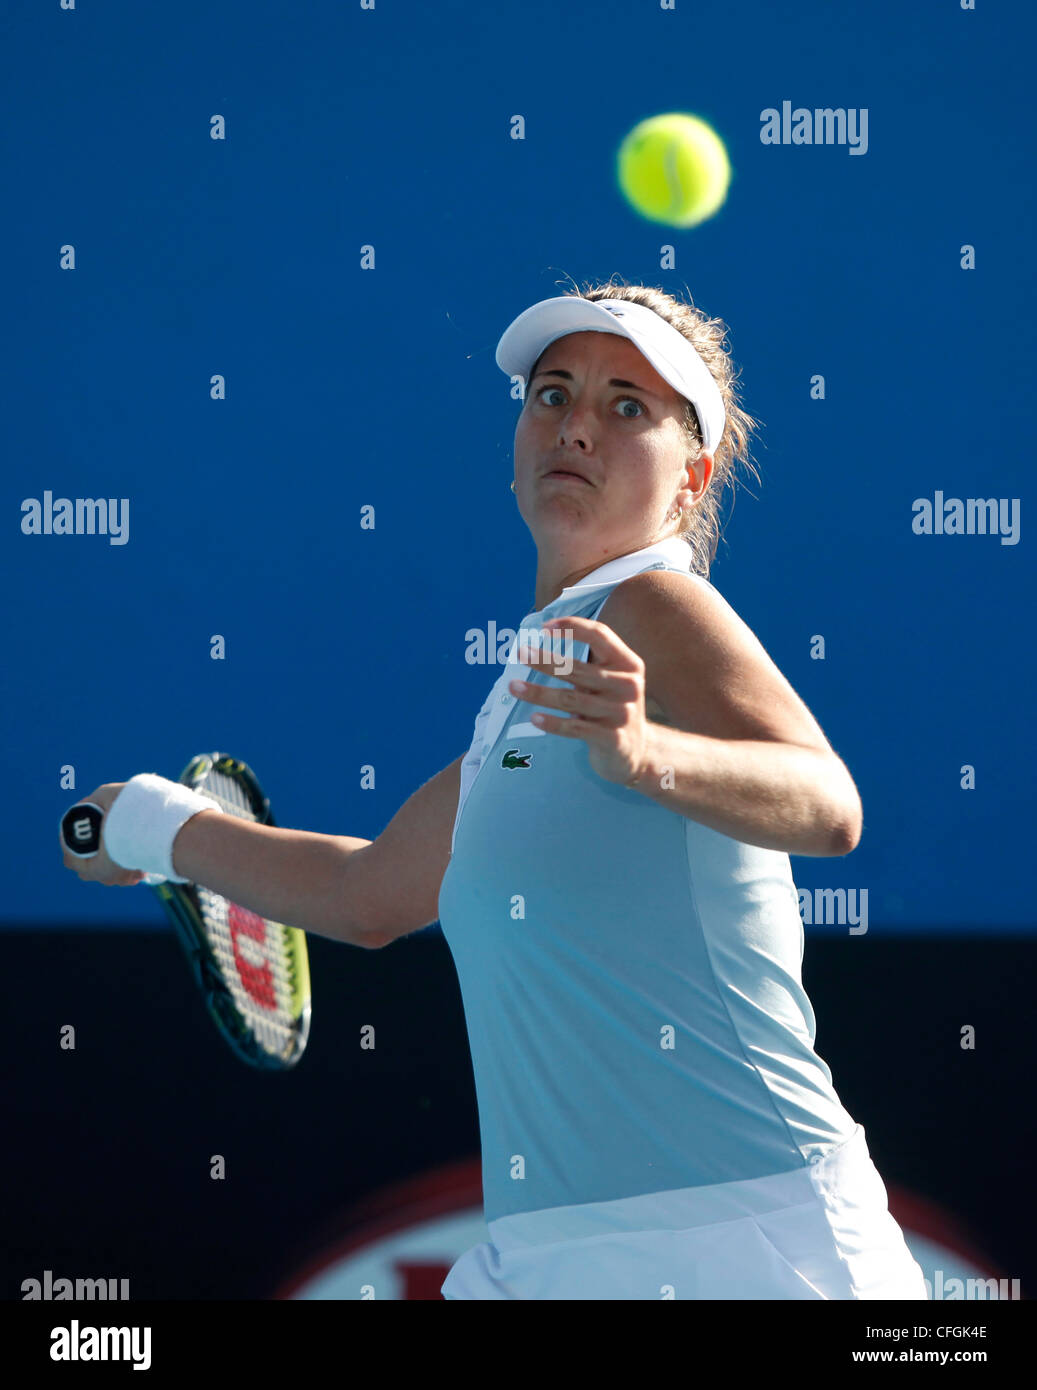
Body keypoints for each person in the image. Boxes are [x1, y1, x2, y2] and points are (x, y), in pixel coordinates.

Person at [61, 277, 928, 1301]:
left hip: (751, 1249)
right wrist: (152, 825)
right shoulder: (526, 696)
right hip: (548, 1258)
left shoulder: (657, 608)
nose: (575, 426)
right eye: (552, 393)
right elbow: (371, 893)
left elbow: (827, 804)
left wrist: (645, 749)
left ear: (690, 479)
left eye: (625, 406)